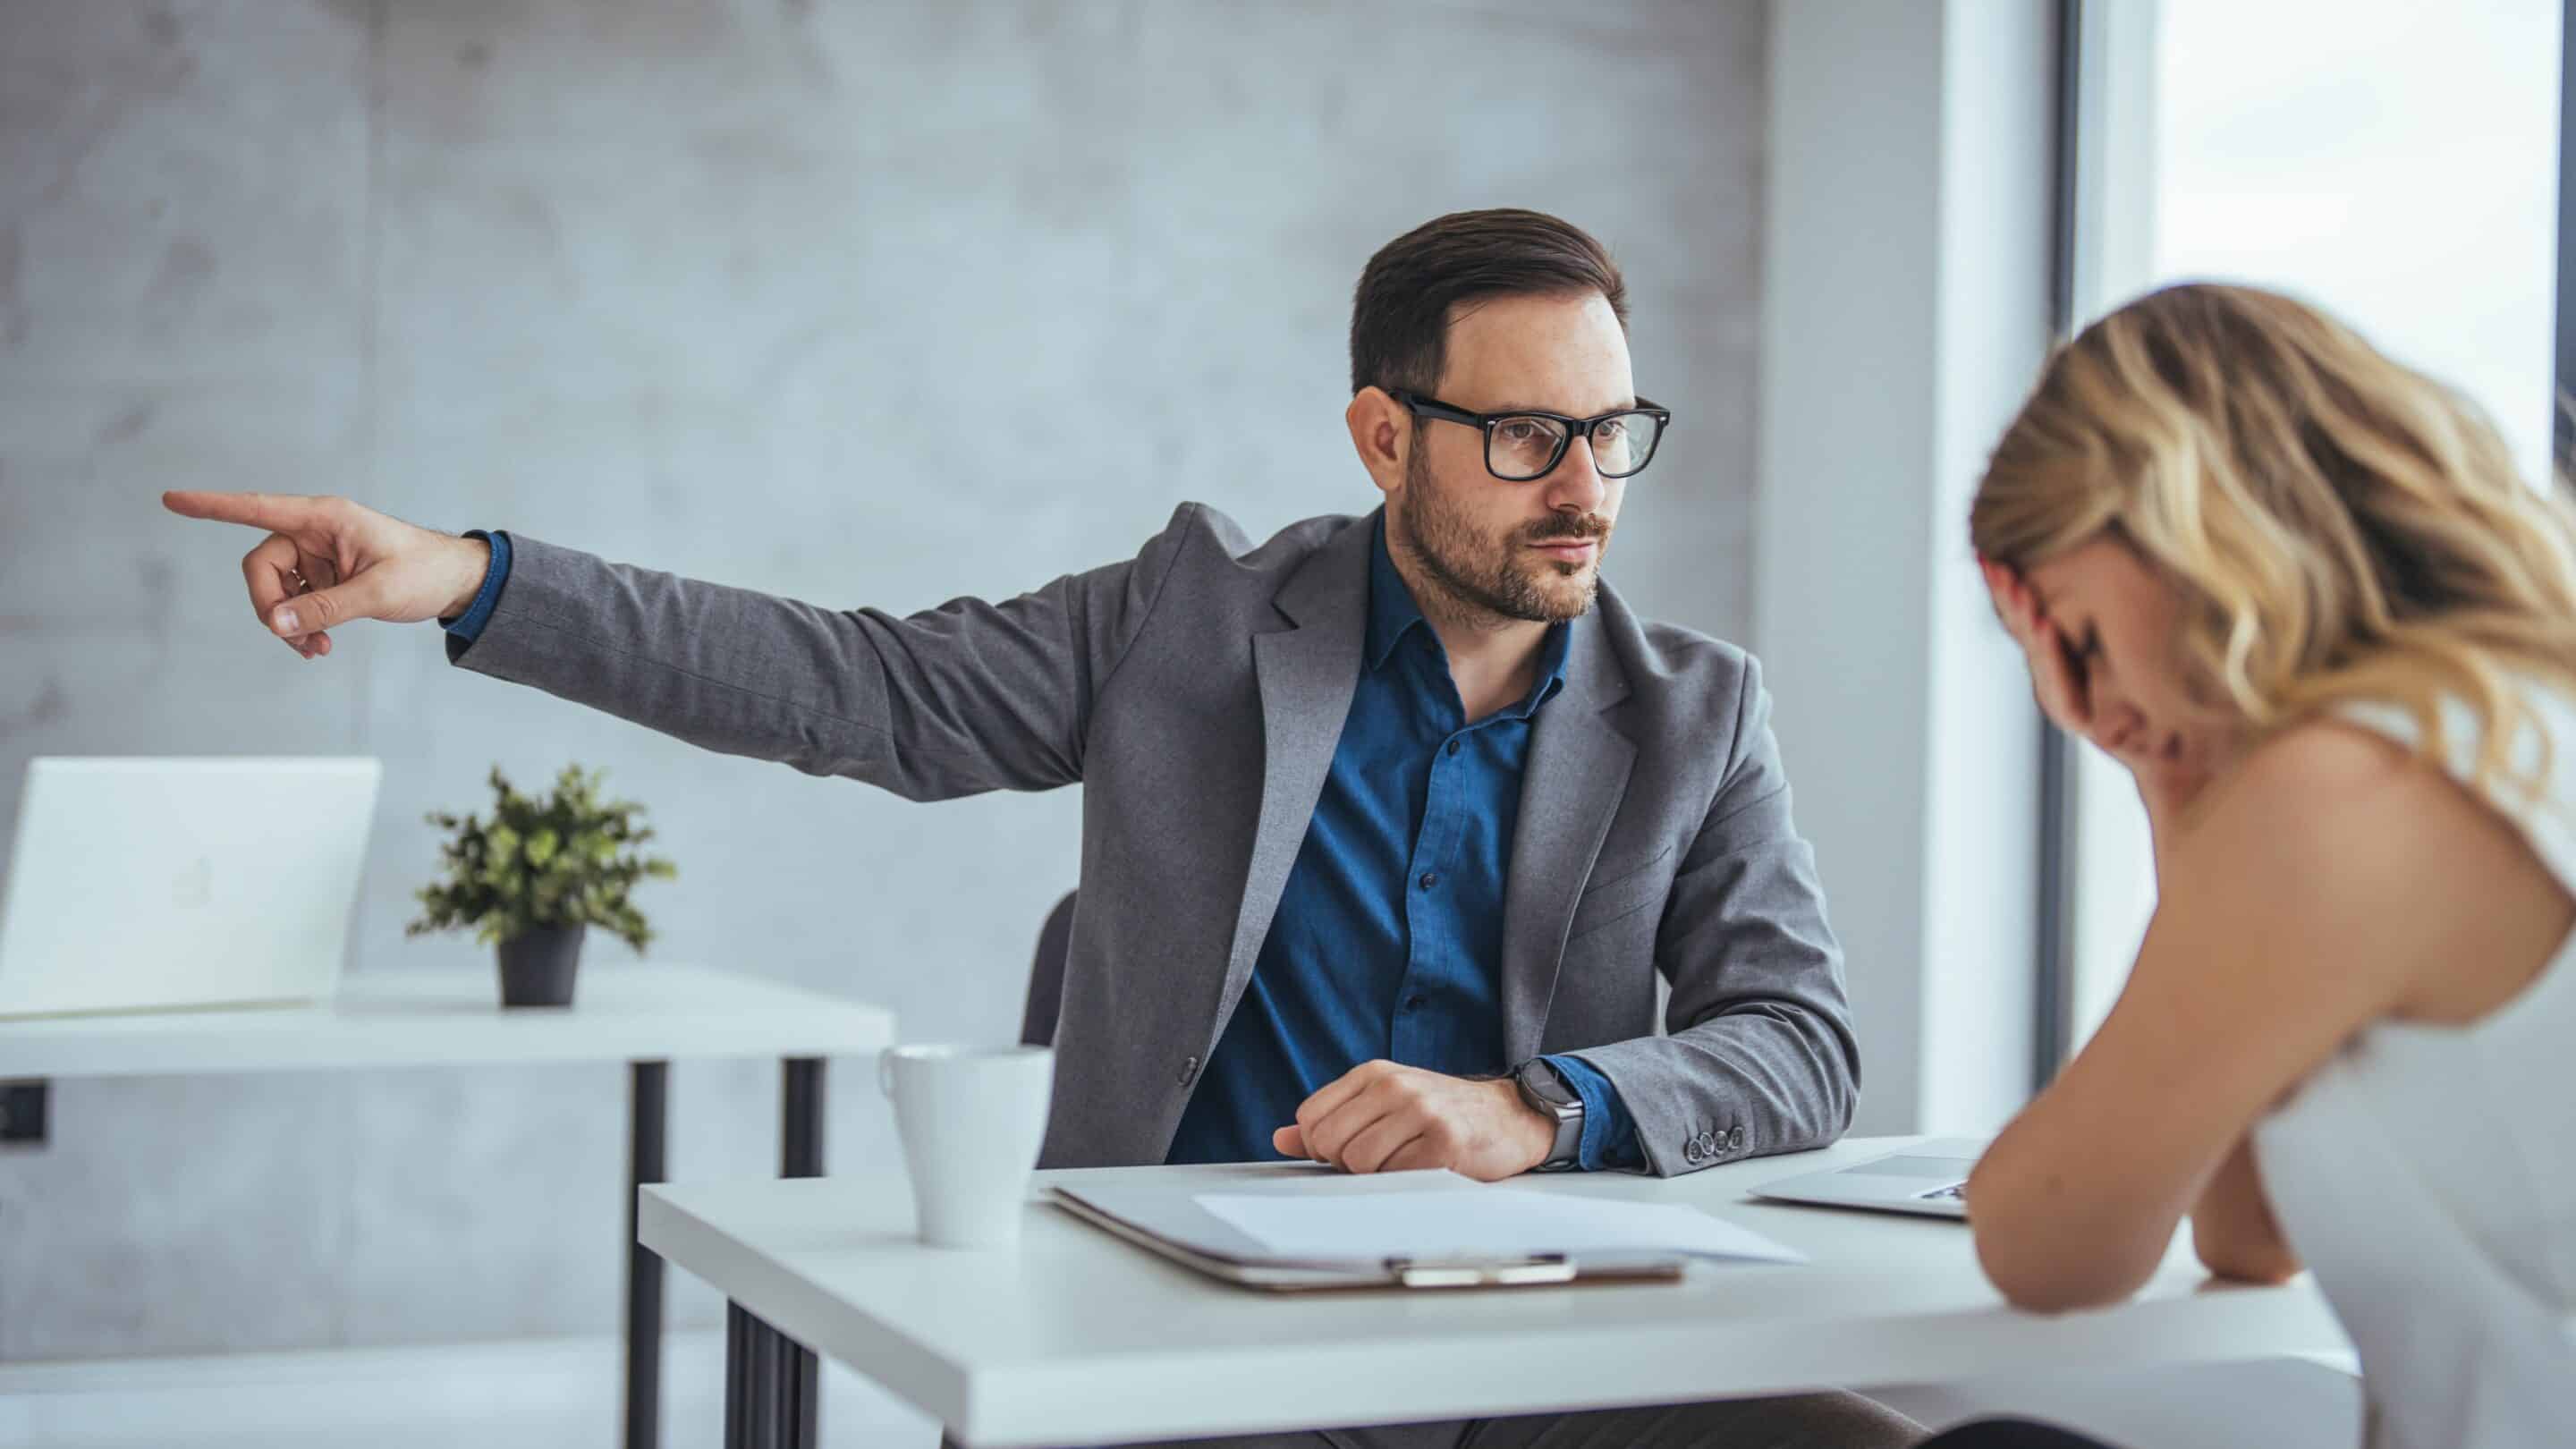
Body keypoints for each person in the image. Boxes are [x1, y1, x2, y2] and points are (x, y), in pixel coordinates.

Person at [165, 209, 1919, 1449]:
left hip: (1548, 1367)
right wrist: (476, 580)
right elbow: (853, 684)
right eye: (1531, 434)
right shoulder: (1189, 622)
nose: (1587, 488)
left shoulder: (1699, 708)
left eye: (1615, 431)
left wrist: (1538, 1113)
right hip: (1204, 1364)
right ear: (1388, 435)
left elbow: (1804, 1045)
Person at [1940, 283, 2576, 1449]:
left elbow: (2045, 1246)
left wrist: (2178, 785)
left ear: (2176, 516)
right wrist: (2178, 790)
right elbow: (2253, 1238)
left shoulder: (2356, 790)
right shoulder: (2506, 719)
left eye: (2072, 637)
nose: (2088, 706)